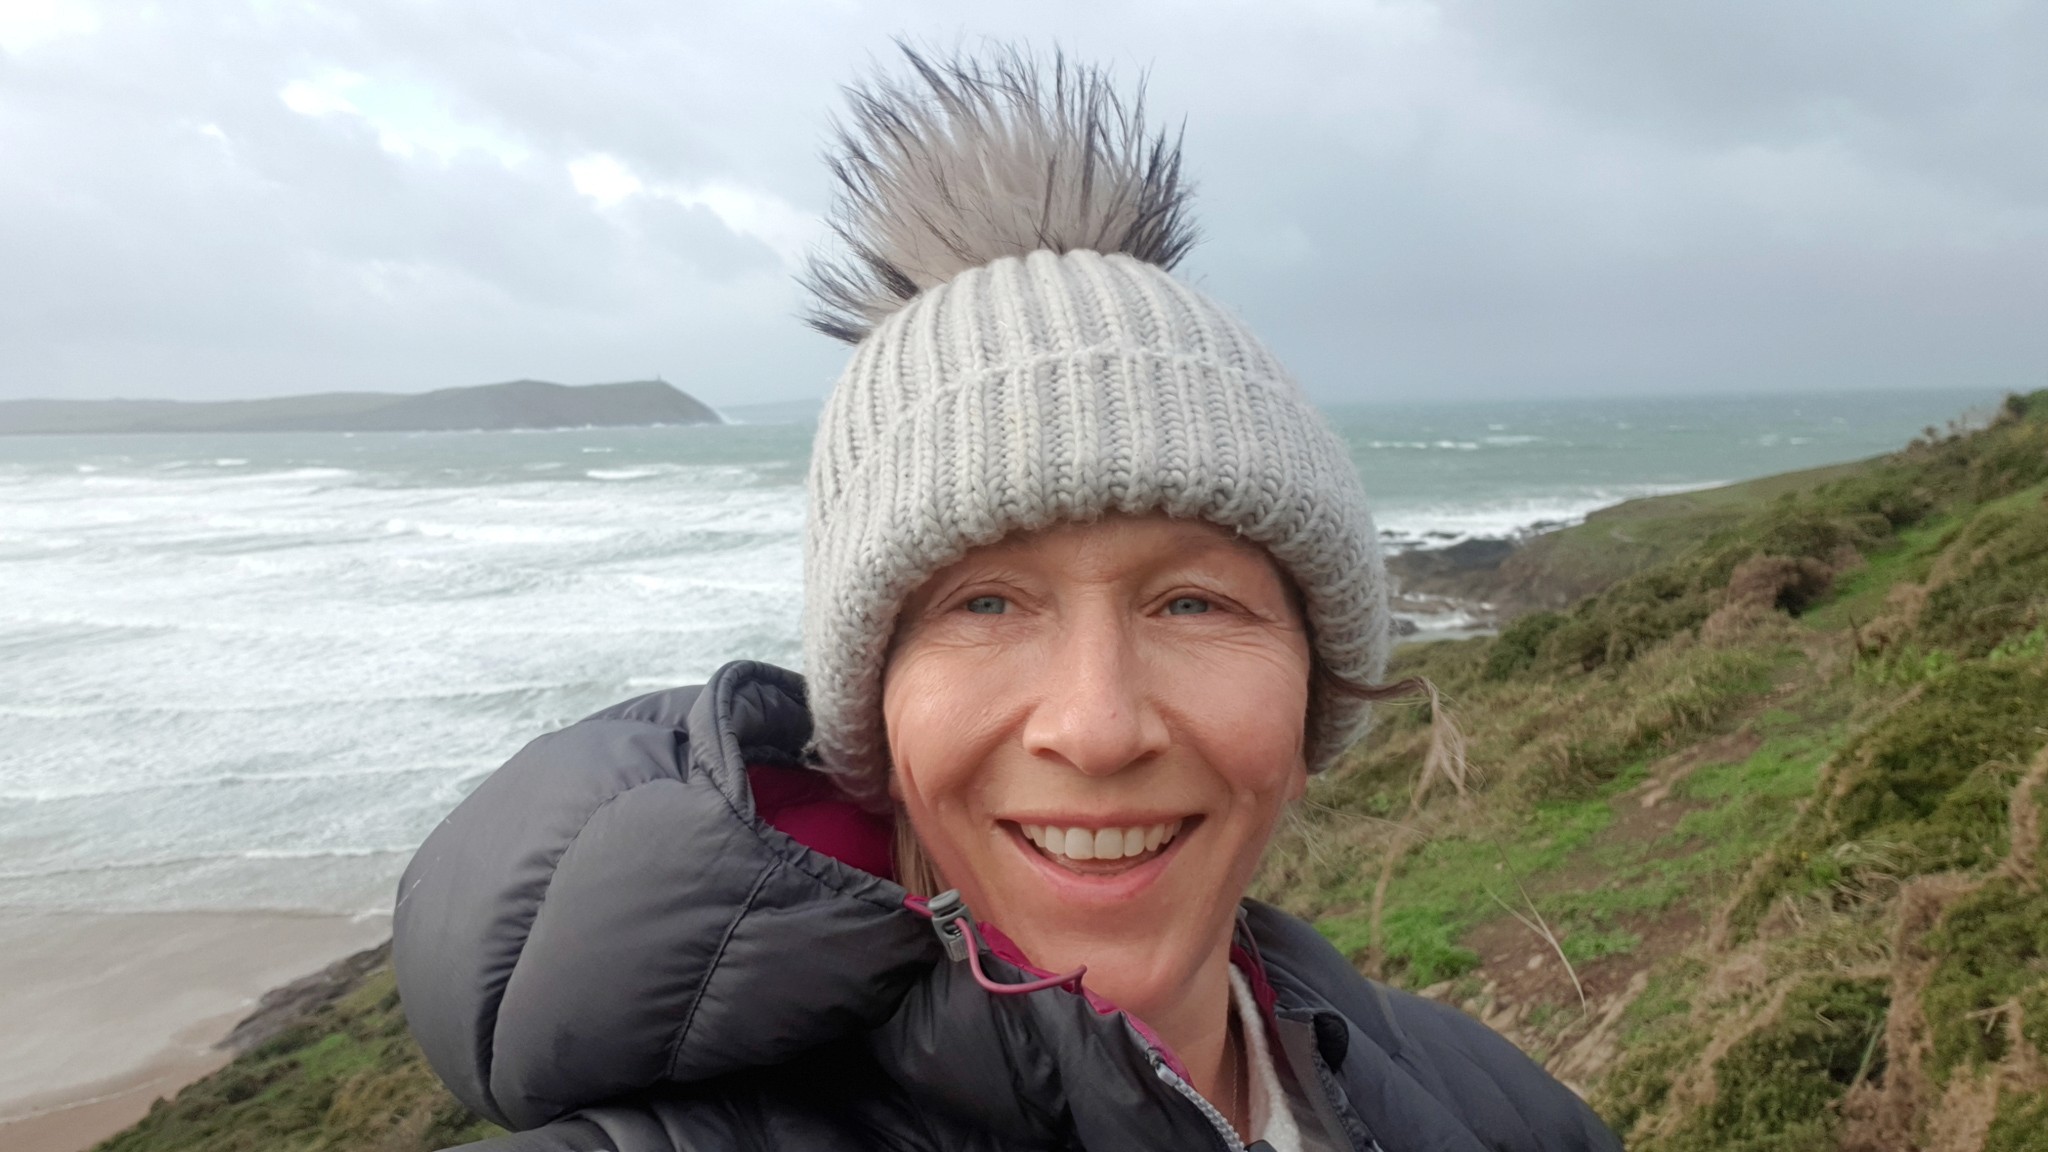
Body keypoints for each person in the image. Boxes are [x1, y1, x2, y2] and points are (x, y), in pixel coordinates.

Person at [393, 47, 1624, 1152]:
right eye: (981, 605)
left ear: (1312, 695)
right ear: (872, 719)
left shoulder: (1499, 1110)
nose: (1095, 728)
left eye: (1193, 604)